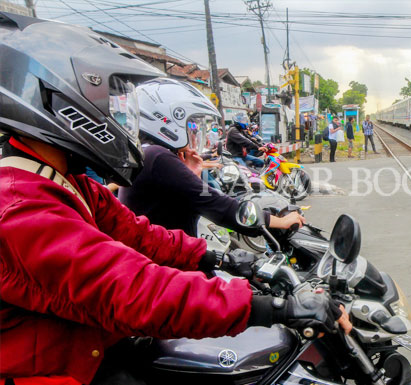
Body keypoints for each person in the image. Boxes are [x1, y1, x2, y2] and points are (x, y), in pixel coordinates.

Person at [0, 14, 350, 384]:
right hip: (61, 370)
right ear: (59, 100)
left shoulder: (65, 182)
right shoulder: (21, 206)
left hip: (94, 344)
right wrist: (274, 308)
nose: (118, 120)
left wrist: (219, 257)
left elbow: (140, 234)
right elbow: (133, 289)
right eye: (109, 105)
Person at [120, 77, 301, 237]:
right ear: (166, 120)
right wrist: (278, 221)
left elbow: (184, 201)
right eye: (190, 124)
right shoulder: (157, 157)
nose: (194, 131)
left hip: (169, 257)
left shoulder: (148, 154)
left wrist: (191, 175)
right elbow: (216, 205)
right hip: (170, 266)